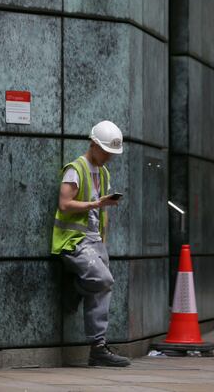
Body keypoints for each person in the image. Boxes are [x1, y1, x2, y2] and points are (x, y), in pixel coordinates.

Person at [51, 120, 130, 367]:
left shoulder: (103, 172)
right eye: (106, 151)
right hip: (73, 242)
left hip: (95, 241)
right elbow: (64, 204)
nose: (109, 157)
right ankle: (76, 287)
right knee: (104, 280)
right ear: (94, 144)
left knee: (102, 287)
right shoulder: (76, 169)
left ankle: (97, 348)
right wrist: (97, 204)